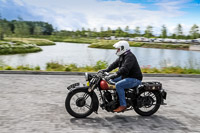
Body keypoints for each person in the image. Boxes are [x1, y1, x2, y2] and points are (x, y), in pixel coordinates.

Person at [99, 41, 143, 112]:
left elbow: (124, 69)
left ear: (123, 48)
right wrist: (106, 70)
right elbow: (114, 64)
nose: (117, 50)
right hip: (126, 76)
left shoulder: (130, 57)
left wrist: (114, 74)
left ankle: (123, 105)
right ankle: (116, 99)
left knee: (118, 85)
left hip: (134, 78)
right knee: (110, 81)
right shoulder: (122, 56)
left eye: (118, 49)